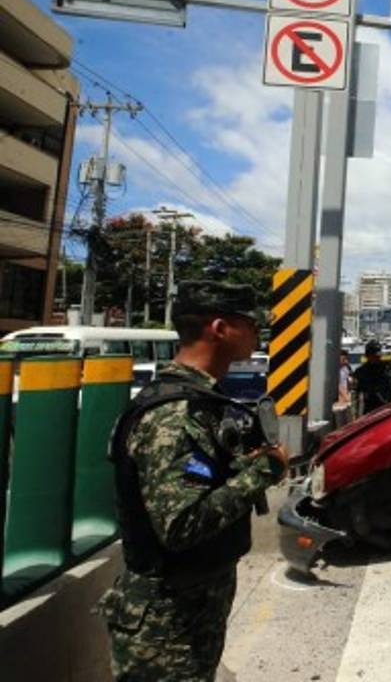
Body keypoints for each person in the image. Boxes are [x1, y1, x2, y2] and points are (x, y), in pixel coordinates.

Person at [96, 280, 289, 681]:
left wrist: (236, 469)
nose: (257, 332)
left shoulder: (199, 401)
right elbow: (181, 524)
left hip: (192, 609)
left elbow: (196, 487)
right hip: (166, 625)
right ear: (219, 328)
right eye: (249, 323)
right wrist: (263, 472)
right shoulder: (175, 412)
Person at [351, 339, 391, 416]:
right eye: (374, 356)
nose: (377, 358)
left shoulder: (388, 369)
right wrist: (355, 416)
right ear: (368, 356)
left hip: (387, 410)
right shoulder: (360, 372)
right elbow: (355, 396)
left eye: (378, 356)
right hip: (369, 411)